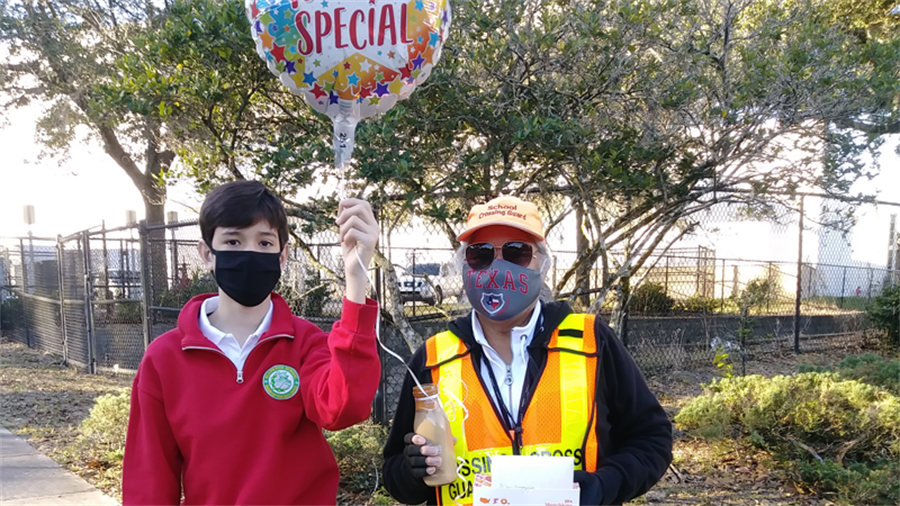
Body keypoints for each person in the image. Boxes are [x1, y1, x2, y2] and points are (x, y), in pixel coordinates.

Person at [382, 196, 672, 506]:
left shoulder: (591, 342)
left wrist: (602, 487)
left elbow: (651, 439)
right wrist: (413, 471)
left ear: (542, 264)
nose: (497, 267)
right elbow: (396, 475)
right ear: (464, 265)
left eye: (516, 252)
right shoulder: (432, 358)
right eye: (479, 254)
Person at [123, 180, 381, 505]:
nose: (249, 253)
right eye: (233, 241)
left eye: (264, 243)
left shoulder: (305, 343)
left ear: (282, 255)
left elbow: (343, 409)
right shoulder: (165, 359)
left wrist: (356, 278)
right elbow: (149, 478)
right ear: (207, 253)